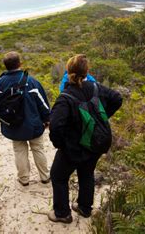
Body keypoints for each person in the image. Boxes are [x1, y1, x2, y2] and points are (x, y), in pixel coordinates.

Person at [48, 54, 122, 223]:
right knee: (87, 173)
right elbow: (117, 98)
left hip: (73, 147)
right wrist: (102, 117)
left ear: (68, 72)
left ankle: (62, 214)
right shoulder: (96, 87)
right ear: (87, 71)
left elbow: (56, 126)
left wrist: (61, 145)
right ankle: (84, 208)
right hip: (95, 143)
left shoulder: (65, 97)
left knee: (58, 176)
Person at [0, 51, 50, 186]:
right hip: (34, 125)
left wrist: (5, 121)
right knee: (38, 149)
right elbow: (43, 104)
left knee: (19, 151)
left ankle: (24, 179)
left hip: (13, 126)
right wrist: (47, 119)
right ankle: (45, 177)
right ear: (20, 64)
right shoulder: (32, 82)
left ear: (5, 66)